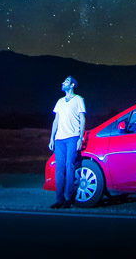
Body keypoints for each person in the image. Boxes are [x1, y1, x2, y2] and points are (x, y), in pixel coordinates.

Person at [49, 75, 86, 208]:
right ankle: (59, 199)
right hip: (59, 139)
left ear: (72, 85)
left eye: (66, 81)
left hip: (72, 137)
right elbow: (56, 121)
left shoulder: (79, 100)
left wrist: (80, 137)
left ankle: (68, 198)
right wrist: (52, 138)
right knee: (59, 169)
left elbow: (82, 119)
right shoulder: (59, 101)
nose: (63, 83)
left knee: (69, 166)